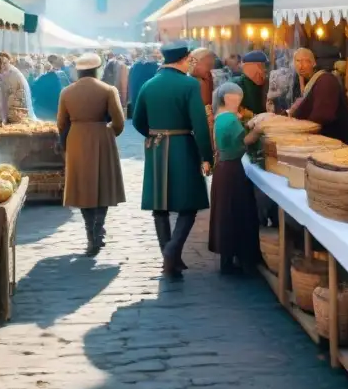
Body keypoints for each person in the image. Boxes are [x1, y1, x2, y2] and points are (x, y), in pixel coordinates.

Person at [133, 40, 213, 280]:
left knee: (160, 204)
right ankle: (171, 250)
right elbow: (199, 123)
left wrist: (153, 134)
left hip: (156, 148)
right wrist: (207, 156)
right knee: (188, 204)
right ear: (186, 58)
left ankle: (171, 258)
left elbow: (137, 120)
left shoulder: (148, 85)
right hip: (183, 147)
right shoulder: (189, 84)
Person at [58, 52, 126, 256]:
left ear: (78, 70)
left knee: (82, 187)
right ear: (97, 69)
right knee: (103, 185)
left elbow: (61, 123)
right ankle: (99, 228)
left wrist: (68, 141)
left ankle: (90, 234)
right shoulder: (107, 90)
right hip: (101, 136)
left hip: (77, 138)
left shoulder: (67, 92)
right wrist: (107, 134)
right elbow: (119, 121)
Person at [209, 82, 265, 276]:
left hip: (223, 169)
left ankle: (228, 259)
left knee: (226, 213)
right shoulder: (230, 120)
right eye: (236, 99)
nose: (238, 102)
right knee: (236, 212)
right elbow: (243, 143)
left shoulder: (222, 117)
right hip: (232, 170)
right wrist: (257, 132)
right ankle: (240, 259)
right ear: (227, 99)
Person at [284, 48, 348, 143]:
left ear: (314, 63)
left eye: (306, 61)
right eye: (298, 61)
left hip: (334, 142)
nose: (301, 66)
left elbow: (321, 117)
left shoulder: (325, 80)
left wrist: (299, 129)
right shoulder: (307, 81)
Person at [0, 54, 34, 124]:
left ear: (9, 62)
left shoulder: (14, 72)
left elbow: (15, 89)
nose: (2, 65)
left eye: (4, 63)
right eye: (1, 63)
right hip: (10, 97)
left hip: (17, 100)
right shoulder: (5, 72)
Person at [231, 51, 267, 116]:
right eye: (262, 66)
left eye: (265, 66)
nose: (265, 70)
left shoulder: (264, 84)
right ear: (251, 67)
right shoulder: (236, 84)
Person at [127, 48, 160, 120]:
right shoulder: (157, 67)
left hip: (137, 99)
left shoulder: (135, 66)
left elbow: (131, 85)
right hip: (152, 102)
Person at [32, 55, 65, 121]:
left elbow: (33, 92)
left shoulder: (42, 78)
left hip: (43, 112)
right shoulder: (62, 76)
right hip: (55, 111)